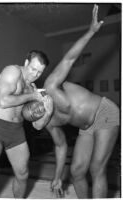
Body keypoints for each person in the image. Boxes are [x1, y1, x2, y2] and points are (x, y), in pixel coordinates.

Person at [23, 5, 119, 198]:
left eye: (33, 106)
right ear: (37, 122)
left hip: (104, 112)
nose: (37, 110)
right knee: (76, 172)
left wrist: (91, 31)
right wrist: (58, 176)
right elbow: (60, 146)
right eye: (34, 115)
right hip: (87, 128)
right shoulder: (50, 124)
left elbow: (69, 59)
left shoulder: (51, 86)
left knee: (96, 169)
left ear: (36, 99)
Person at [0, 50, 53, 198]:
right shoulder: (12, 71)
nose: (34, 75)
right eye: (33, 69)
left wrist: (48, 112)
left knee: (23, 174)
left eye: (39, 72)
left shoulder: (32, 88)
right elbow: (3, 101)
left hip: (16, 132)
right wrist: (33, 96)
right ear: (26, 63)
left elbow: (38, 126)